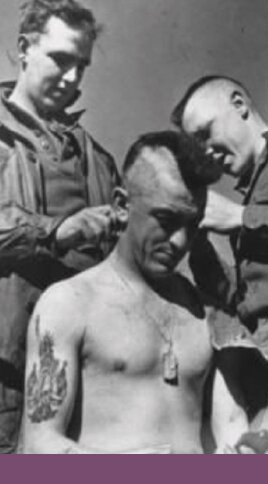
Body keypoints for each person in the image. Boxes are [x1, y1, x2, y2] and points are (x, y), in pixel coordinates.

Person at [20, 131, 221, 453]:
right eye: (166, 219)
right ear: (122, 205)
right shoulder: (68, 304)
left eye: (192, 224)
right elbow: (37, 448)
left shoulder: (203, 310)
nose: (180, 241)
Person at [0, 0, 119, 453]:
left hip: (83, 376)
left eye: (81, 66)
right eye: (61, 60)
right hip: (6, 375)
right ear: (24, 48)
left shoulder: (97, 159)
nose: (73, 79)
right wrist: (57, 231)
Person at [171, 75, 268, 453]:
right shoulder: (253, 187)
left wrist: (242, 217)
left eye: (205, 133)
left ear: (239, 104)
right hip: (259, 361)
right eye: (196, 146)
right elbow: (241, 299)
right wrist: (198, 245)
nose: (205, 153)